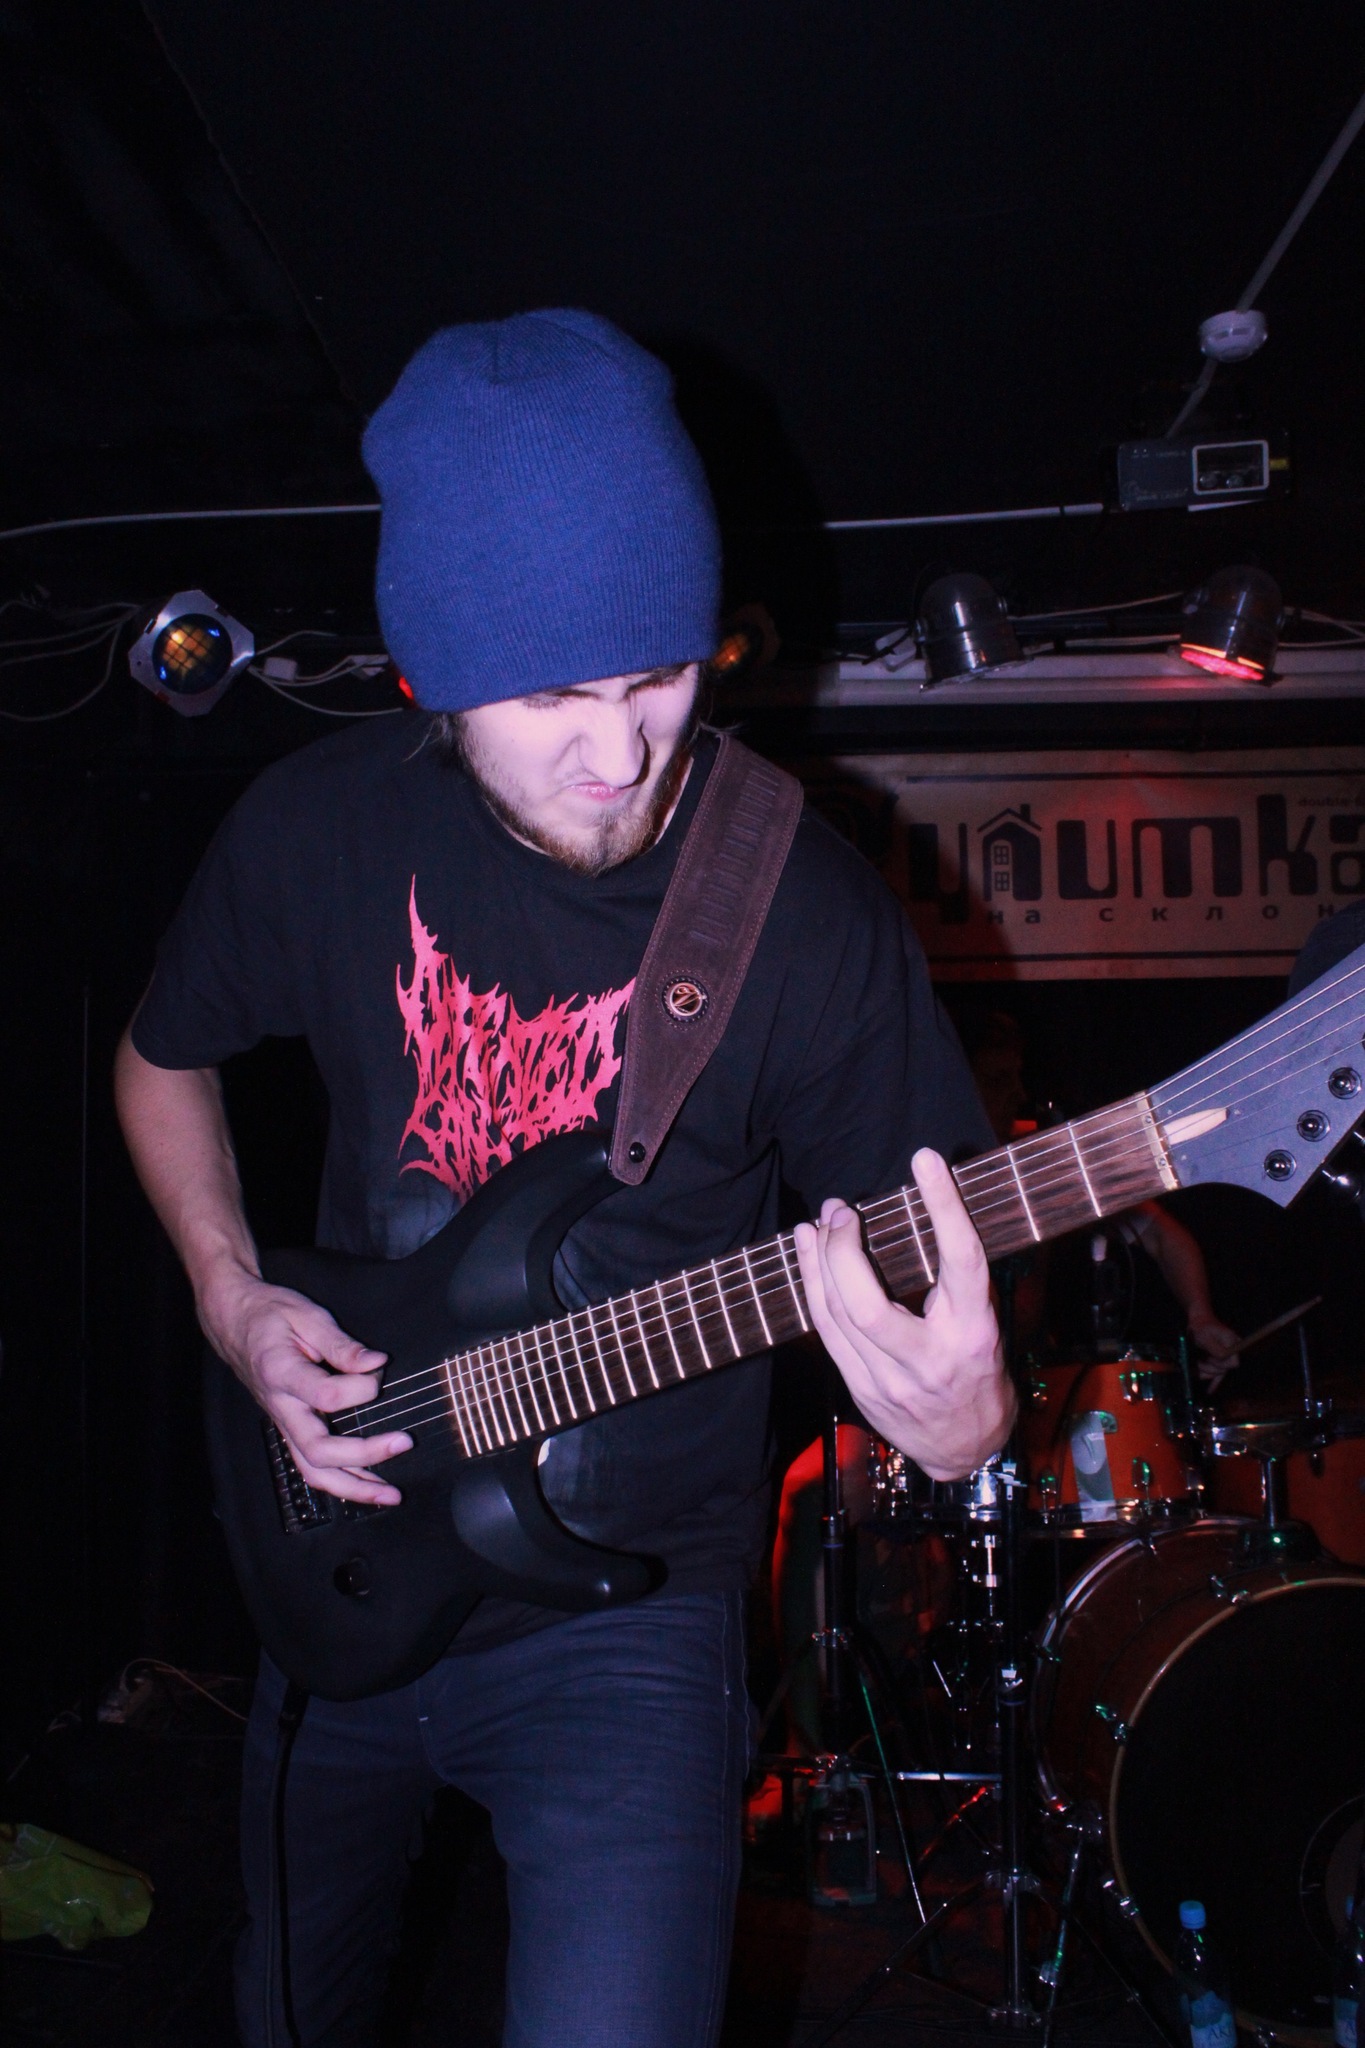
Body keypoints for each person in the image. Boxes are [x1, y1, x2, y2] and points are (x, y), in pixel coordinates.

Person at [113, 311, 1012, 2048]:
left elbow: (938, 1258)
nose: (620, 757)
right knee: (282, 2011)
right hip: (340, 1545)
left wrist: (964, 1421)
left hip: (631, 1618)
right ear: (429, 680)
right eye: (547, 699)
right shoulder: (313, 830)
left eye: (657, 676)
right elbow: (163, 1060)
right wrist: (231, 1300)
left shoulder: (803, 911)